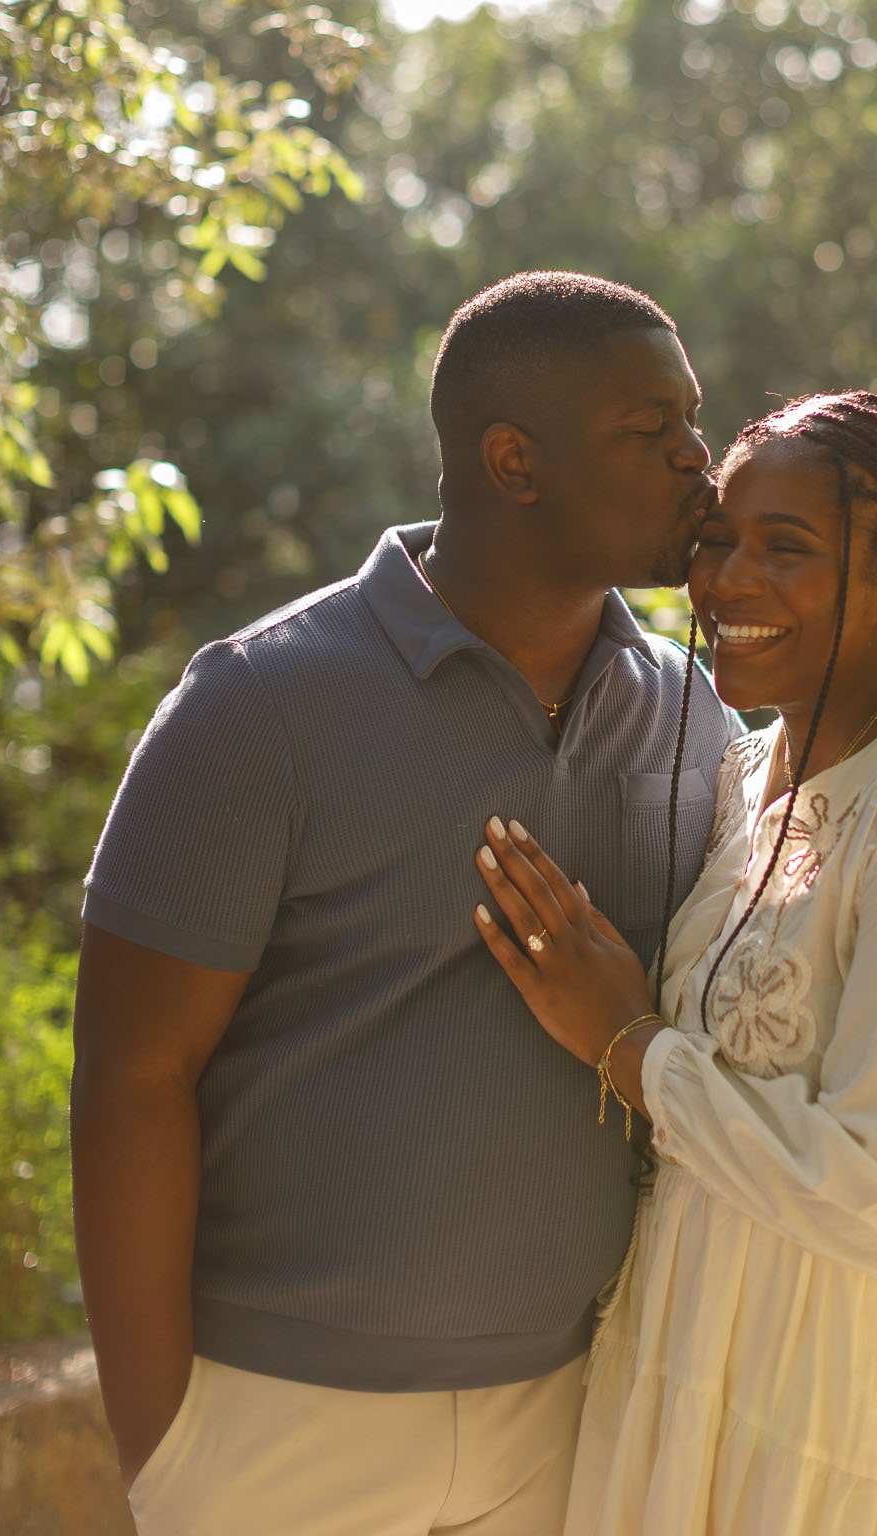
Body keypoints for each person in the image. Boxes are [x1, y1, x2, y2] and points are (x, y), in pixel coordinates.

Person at [70, 272, 742, 1536]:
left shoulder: (695, 713)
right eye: (649, 428)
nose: (697, 457)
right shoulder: (256, 705)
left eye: (692, 422)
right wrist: (164, 1448)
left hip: (576, 1412)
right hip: (279, 1429)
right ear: (513, 460)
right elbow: (130, 1071)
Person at [474, 390, 877, 1535]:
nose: (728, 579)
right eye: (717, 538)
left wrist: (631, 1045)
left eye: (785, 548)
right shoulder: (749, 770)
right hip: (706, 1354)